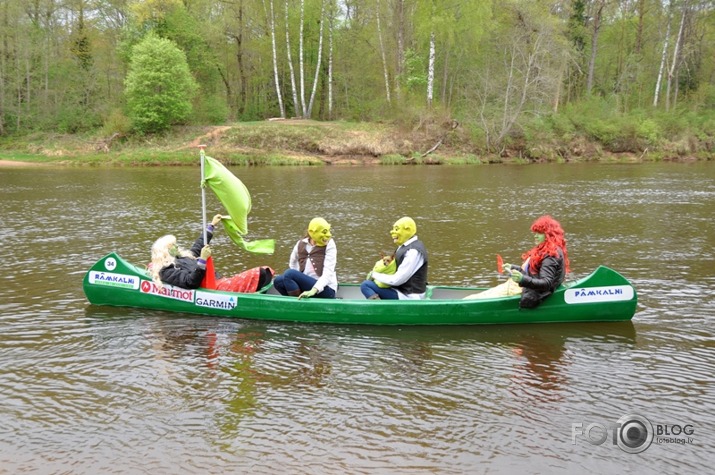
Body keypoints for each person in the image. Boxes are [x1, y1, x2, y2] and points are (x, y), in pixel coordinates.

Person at [150, 214, 274, 292]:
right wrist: (202, 261)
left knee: (266, 272)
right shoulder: (166, 270)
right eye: (173, 245)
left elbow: (198, 245)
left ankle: (256, 293)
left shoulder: (183, 257)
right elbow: (190, 282)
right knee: (260, 273)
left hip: (219, 281)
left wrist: (212, 226)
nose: (177, 246)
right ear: (165, 251)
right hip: (214, 288)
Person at [504, 215, 570, 309]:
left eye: (539, 233)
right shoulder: (546, 249)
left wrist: (522, 279)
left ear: (549, 235)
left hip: (536, 295)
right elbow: (533, 275)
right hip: (531, 289)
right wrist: (513, 268)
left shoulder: (551, 255)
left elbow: (546, 283)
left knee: (486, 295)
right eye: (535, 232)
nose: (535, 236)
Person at [360, 217, 428, 300]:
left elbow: (397, 280)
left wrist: (374, 275)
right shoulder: (404, 247)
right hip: (401, 290)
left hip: (410, 296)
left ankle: (379, 310)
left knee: (366, 285)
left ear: (408, 230)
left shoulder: (413, 251)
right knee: (370, 283)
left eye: (396, 229)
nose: (392, 232)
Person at [273, 217, 338, 299]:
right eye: (324, 232)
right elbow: (292, 263)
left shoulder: (330, 244)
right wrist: (295, 281)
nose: (328, 235)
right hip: (306, 286)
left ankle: (298, 304)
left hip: (325, 289)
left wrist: (314, 290)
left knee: (289, 274)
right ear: (311, 232)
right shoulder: (300, 244)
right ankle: (297, 300)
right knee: (278, 281)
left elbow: (328, 273)